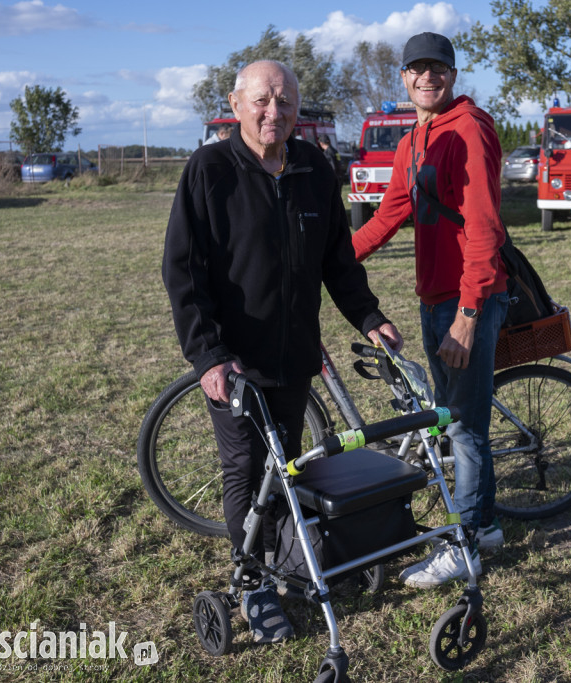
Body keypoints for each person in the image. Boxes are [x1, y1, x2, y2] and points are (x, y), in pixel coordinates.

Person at [163, 60, 403, 643]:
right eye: (264, 100)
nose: (276, 112)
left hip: (294, 356)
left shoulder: (314, 168)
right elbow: (183, 271)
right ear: (237, 103)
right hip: (235, 362)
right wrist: (209, 355)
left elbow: (337, 263)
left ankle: (287, 564)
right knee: (245, 471)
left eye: (287, 102)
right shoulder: (210, 170)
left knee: (287, 466)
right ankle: (252, 587)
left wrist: (370, 317)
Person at [351, 32, 509, 588]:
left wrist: (468, 315)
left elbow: (486, 229)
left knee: (463, 428)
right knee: (459, 420)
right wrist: (329, 263)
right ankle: (485, 526)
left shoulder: (468, 128)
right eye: (416, 69)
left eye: (437, 68)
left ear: (453, 74)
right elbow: (388, 214)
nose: (427, 78)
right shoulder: (412, 138)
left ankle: (464, 546)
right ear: (403, 78)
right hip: (435, 298)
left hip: (467, 300)